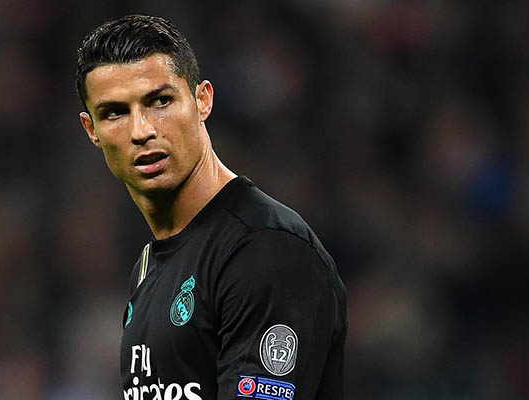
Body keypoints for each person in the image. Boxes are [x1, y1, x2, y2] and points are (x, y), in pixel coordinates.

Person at [76, 15, 347, 400]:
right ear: (92, 131)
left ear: (202, 100)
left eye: (160, 101)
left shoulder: (264, 250)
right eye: (115, 112)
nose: (142, 130)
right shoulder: (148, 267)